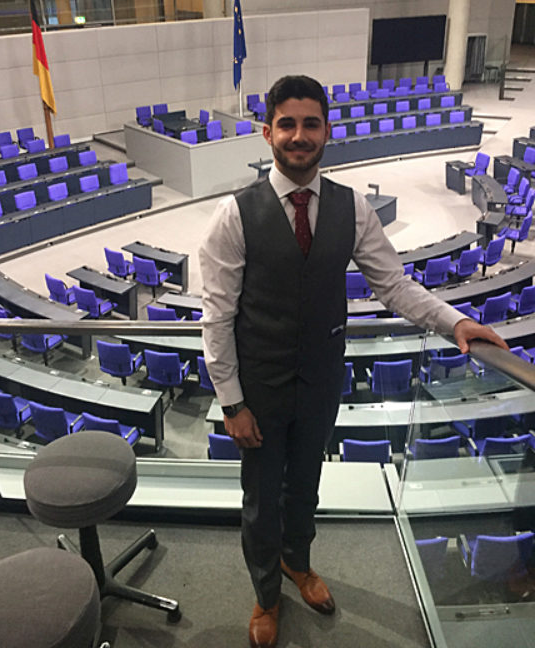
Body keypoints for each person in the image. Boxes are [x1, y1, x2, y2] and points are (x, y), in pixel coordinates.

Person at [198, 75, 508, 648]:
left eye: (310, 124)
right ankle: (267, 594)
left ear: (327, 132)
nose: (298, 136)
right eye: (286, 124)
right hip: (259, 391)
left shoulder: (352, 208)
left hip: (320, 382)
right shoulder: (233, 216)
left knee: (306, 490)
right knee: (262, 501)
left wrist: (455, 322)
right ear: (267, 132)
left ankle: (299, 563)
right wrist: (232, 403)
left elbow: (394, 287)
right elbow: (216, 319)